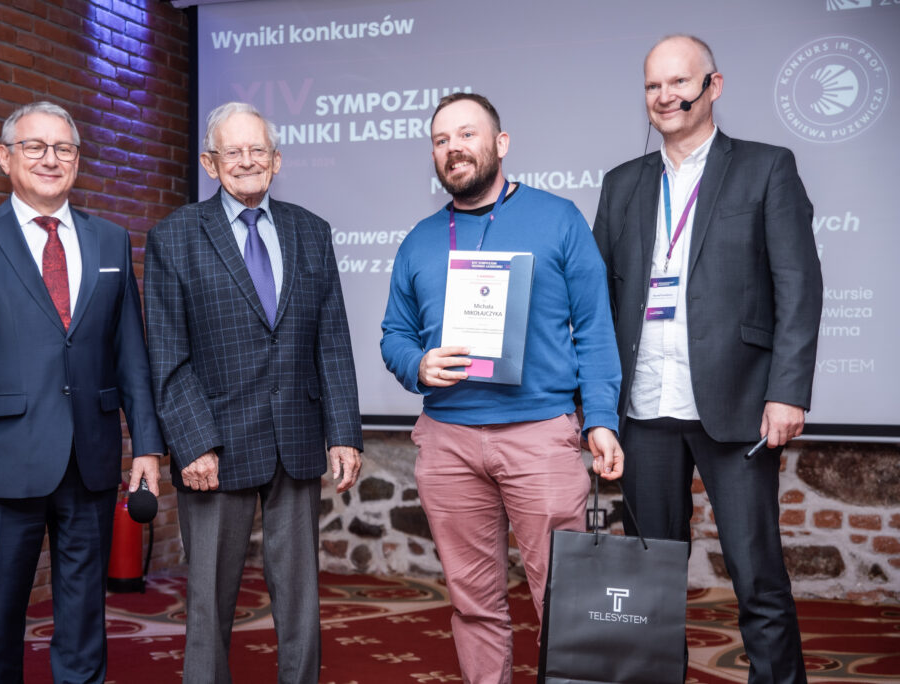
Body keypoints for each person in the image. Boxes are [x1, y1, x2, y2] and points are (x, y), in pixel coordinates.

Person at [593, 35, 822, 684]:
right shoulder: (622, 184)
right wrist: (596, 408)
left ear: (712, 86)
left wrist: (789, 390)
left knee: (758, 580)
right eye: (652, 86)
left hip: (738, 407)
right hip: (644, 411)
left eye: (678, 82)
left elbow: (799, 288)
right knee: (649, 585)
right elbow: (597, 301)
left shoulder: (766, 168)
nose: (664, 96)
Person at [0, 101, 164, 684]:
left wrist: (148, 448)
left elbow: (131, 354)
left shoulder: (109, 241)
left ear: (78, 161)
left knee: (85, 621)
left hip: (91, 462)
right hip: (0, 465)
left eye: (65, 149)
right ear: (6, 158)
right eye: (35, 147)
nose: (51, 159)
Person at [380, 93, 624, 683]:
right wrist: (416, 363)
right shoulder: (419, 238)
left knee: (564, 602)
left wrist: (602, 418)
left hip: (538, 435)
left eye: (466, 134)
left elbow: (594, 326)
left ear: (501, 143)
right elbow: (394, 332)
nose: (453, 148)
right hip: (448, 441)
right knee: (473, 603)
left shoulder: (558, 218)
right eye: (440, 140)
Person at [144, 102, 363, 684]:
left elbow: (333, 341)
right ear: (210, 164)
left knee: (300, 602)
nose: (247, 162)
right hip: (214, 447)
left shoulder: (311, 231)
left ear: (277, 159)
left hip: (295, 438)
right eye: (233, 152)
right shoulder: (174, 237)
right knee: (210, 603)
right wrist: (191, 444)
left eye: (257, 151)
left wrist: (342, 432)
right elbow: (167, 354)